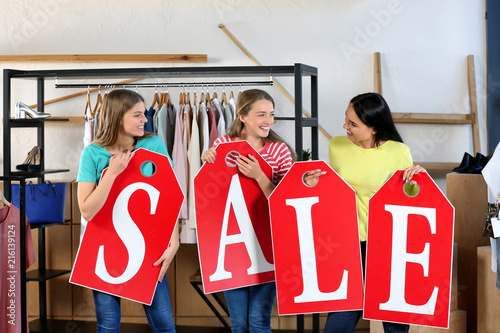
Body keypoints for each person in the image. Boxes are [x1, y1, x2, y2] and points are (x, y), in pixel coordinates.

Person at [304, 92, 425, 333]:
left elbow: (409, 196)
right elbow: (332, 189)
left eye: (353, 124)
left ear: (373, 128)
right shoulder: (336, 145)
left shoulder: (399, 152)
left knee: (393, 316)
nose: (344, 126)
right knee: (343, 312)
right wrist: (308, 181)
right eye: (346, 119)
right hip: (348, 241)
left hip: (388, 243)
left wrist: (418, 178)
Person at [77, 89, 178, 333]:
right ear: (117, 117)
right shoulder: (92, 153)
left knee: (164, 324)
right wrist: (112, 172)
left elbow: (169, 195)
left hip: (149, 246)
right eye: (138, 115)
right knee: (109, 325)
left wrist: (173, 240)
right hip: (103, 247)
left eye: (144, 114)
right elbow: (87, 211)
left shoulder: (152, 144)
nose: (145, 119)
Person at [201, 89, 295, 332]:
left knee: (258, 321)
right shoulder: (222, 145)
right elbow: (210, 199)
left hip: (269, 246)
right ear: (242, 116)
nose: (268, 121)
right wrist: (207, 165)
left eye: (271, 114)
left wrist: (260, 176)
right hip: (233, 247)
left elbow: (286, 203)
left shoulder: (279, 151)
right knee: (239, 323)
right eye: (261, 114)